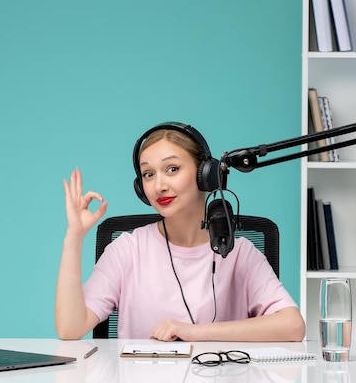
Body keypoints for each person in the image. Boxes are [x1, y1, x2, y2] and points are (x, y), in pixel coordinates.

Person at [55, 122, 305, 342]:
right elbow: (70, 328)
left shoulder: (240, 253)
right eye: (148, 174)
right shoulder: (127, 250)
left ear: (204, 175)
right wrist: (73, 237)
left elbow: (292, 326)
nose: (159, 186)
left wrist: (196, 332)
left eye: (172, 169)